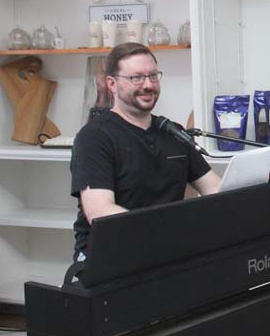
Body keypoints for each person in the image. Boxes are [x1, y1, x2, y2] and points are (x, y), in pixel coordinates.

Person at [69, 42, 220, 265]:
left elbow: (214, 188)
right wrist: (163, 233)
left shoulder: (173, 133)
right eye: (136, 78)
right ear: (112, 84)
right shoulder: (94, 137)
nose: (148, 85)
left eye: (153, 76)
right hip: (110, 256)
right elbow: (100, 211)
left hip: (167, 252)